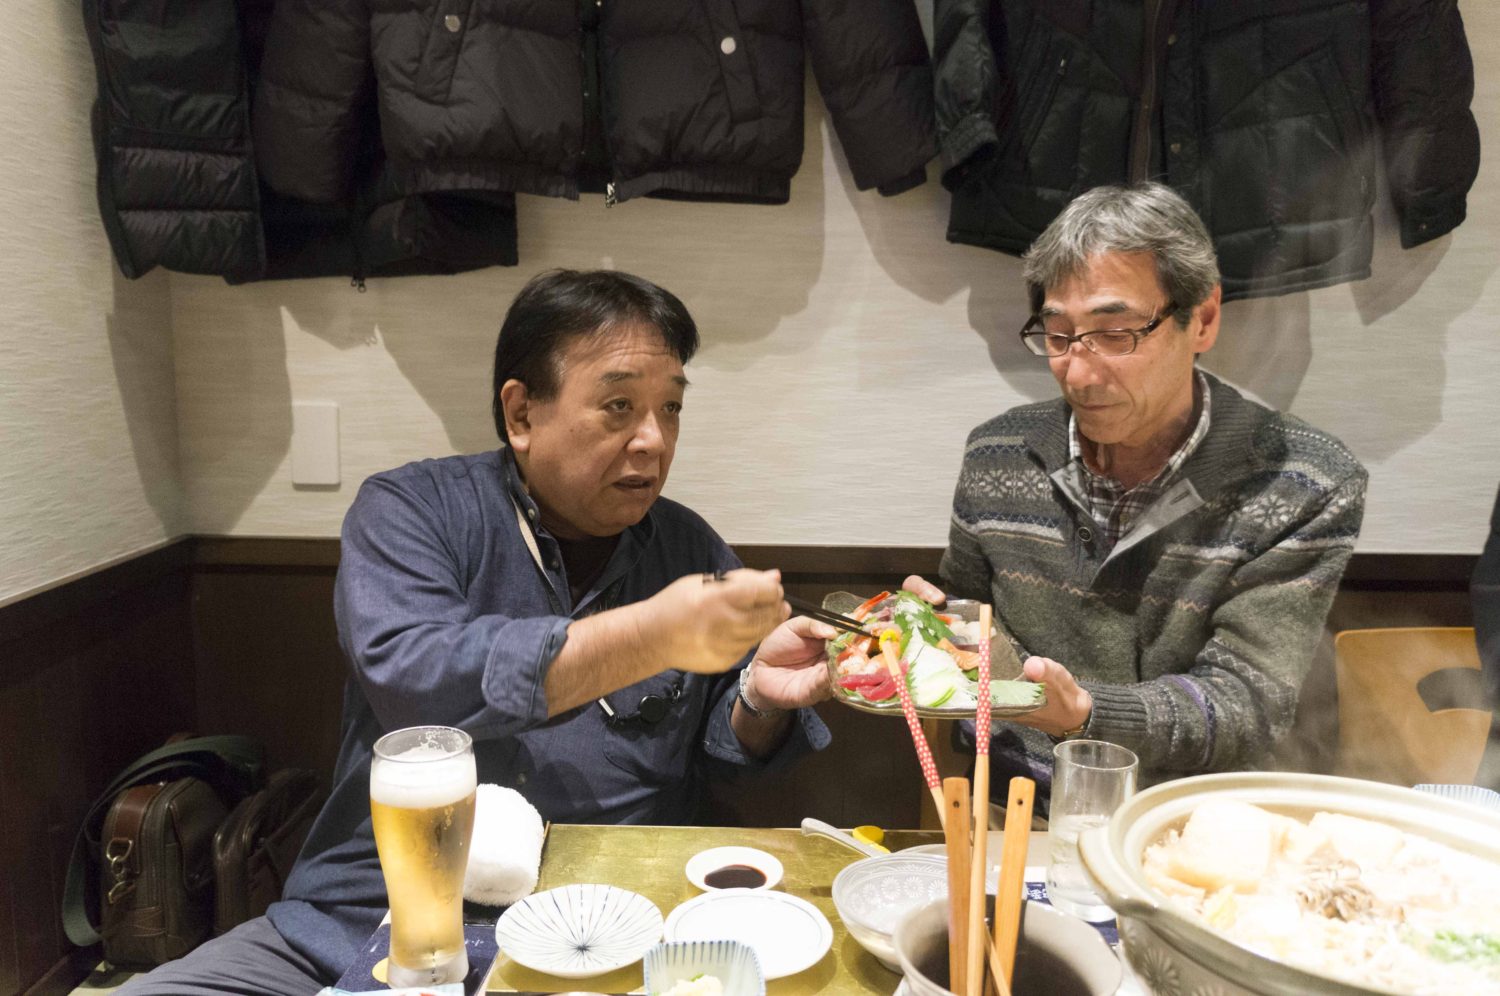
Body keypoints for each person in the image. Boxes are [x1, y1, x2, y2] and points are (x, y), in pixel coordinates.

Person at [118, 269, 837, 993]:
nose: (653, 439)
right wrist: (648, 637)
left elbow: (724, 749)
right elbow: (417, 680)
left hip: (608, 930)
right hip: (369, 919)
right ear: (521, 414)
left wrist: (761, 698)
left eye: (671, 407)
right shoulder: (411, 511)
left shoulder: (687, 547)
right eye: (619, 405)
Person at [914, 182, 1368, 813]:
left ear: (1202, 319)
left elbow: (1247, 703)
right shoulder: (998, 455)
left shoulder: (1302, 480)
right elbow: (973, 633)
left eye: (1115, 332)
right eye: (1058, 334)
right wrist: (934, 628)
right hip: (1018, 806)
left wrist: (1085, 712)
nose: (1078, 372)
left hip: (1194, 822)